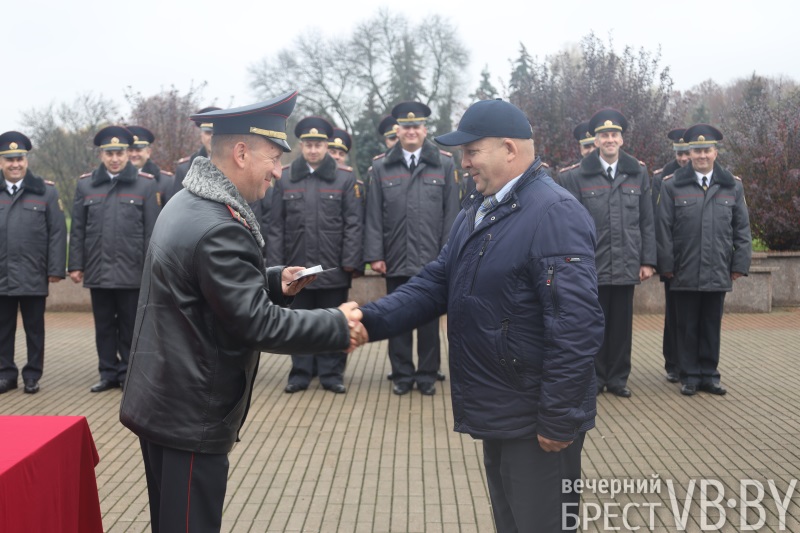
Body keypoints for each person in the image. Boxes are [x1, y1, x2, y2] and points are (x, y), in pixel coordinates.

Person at [119, 92, 366, 533]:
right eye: (274, 157)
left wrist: (271, 282)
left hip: (165, 403)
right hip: (190, 414)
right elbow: (257, 323)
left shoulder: (188, 202)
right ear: (240, 153)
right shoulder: (219, 225)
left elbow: (201, 287)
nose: (278, 171)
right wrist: (336, 324)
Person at [358, 99, 604, 532]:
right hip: (502, 409)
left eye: (472, 151)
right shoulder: (480, 207)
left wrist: (559, 417)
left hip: (537, 420)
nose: (464, 162)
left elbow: (576, 326)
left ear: (509, 149)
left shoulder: (554, 212)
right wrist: (365, 321)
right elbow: (436, 282)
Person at [364, 101, 460, 396]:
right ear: (398, 130)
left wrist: (449, 255)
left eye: (416, 126)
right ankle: (402, 374)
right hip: (395, 257)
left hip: (432, 260)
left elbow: (451, 215)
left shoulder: (444, 164)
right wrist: (375, 255)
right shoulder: (381, 166)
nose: (411, 131)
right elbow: (373, 215)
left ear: (425, 130)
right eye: (406, 127)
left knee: (429, 321)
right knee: (396, 318)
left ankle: (427, 374)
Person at [559, 108, 656, 398]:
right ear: (596, 140)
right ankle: (596, 376)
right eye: (604, 135)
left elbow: (647, 219)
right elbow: (570, 226)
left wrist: (647, 260)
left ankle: (618, 379)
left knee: (622, 326)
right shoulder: (577, 176)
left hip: (627, 262)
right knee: (593, 324)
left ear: (621, 140)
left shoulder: (638, 172)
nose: (610, 139)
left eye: (614, 134)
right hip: (592, 265)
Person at [268, 116, 363, 394]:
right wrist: (277, 267)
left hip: (333, 267)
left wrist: (350, 262)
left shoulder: (345, 178)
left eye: (318, 145)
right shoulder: (285, 178)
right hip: (296, 268)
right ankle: (300, 373)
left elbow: (353, 223)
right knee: (298, 323)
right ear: (301, 145)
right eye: (308, 144)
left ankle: (332, 374)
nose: (313, 149)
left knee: (335, 321)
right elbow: (275, 226)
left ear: (326, 146)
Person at [656, 124, 752, 396]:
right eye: (697, 151)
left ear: (715, 152)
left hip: (718, 268)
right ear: (689, 153)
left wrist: (739, 264)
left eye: (706, 150)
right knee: (687, 326)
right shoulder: (672, 185)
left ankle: (710, 375)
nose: (702, 155)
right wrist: (667, 266)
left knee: (711, 325)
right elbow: (663, 229)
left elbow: (742, 229)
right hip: (684, 269)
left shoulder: (732, 186)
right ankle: (689, 376)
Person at [68, 126, 160, 392]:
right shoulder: (86, 185)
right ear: (101, 154)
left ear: (127, 153)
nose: (115, 158)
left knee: (130, 326)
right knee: (104, 326)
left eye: (119, 153)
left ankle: (128, 374)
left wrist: (151, 268)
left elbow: (151, 232)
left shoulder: (145, 184)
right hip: (98, 270)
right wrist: (76, 265)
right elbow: (78, 229)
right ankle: (107, 373)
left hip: (132, 271)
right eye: (109, 153)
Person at [0, 131, 67, 394]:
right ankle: (5, 374)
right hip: (2, 275)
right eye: (9, 159)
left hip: (34, 273)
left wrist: (55, 269)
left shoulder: (46, 191)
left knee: (34, 329)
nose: (15, 164)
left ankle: (32, 375)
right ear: (1, 162)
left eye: (19, 159)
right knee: (2, 330)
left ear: (26, 160)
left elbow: (57, 232)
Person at [652, 128, 690, 383]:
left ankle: (691, 362)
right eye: (679, 153)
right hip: (673, 258)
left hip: (695, 254)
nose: (683, 158)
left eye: (687, 153)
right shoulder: (662, 178)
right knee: (674, 313)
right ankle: (673, 363)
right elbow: (658, 220)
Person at [170, 106, 221, 197]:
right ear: (201, 134)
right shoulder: (185, 168)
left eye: (216, 133)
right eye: (208, 133)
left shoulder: (236, 166)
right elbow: (178, 203)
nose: (212, 137)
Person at [127, 125, 175, 205]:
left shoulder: (166, 182)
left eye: (138, 150)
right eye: (130, 150)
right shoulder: (116, 180)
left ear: (148, 152)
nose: (133, 154)